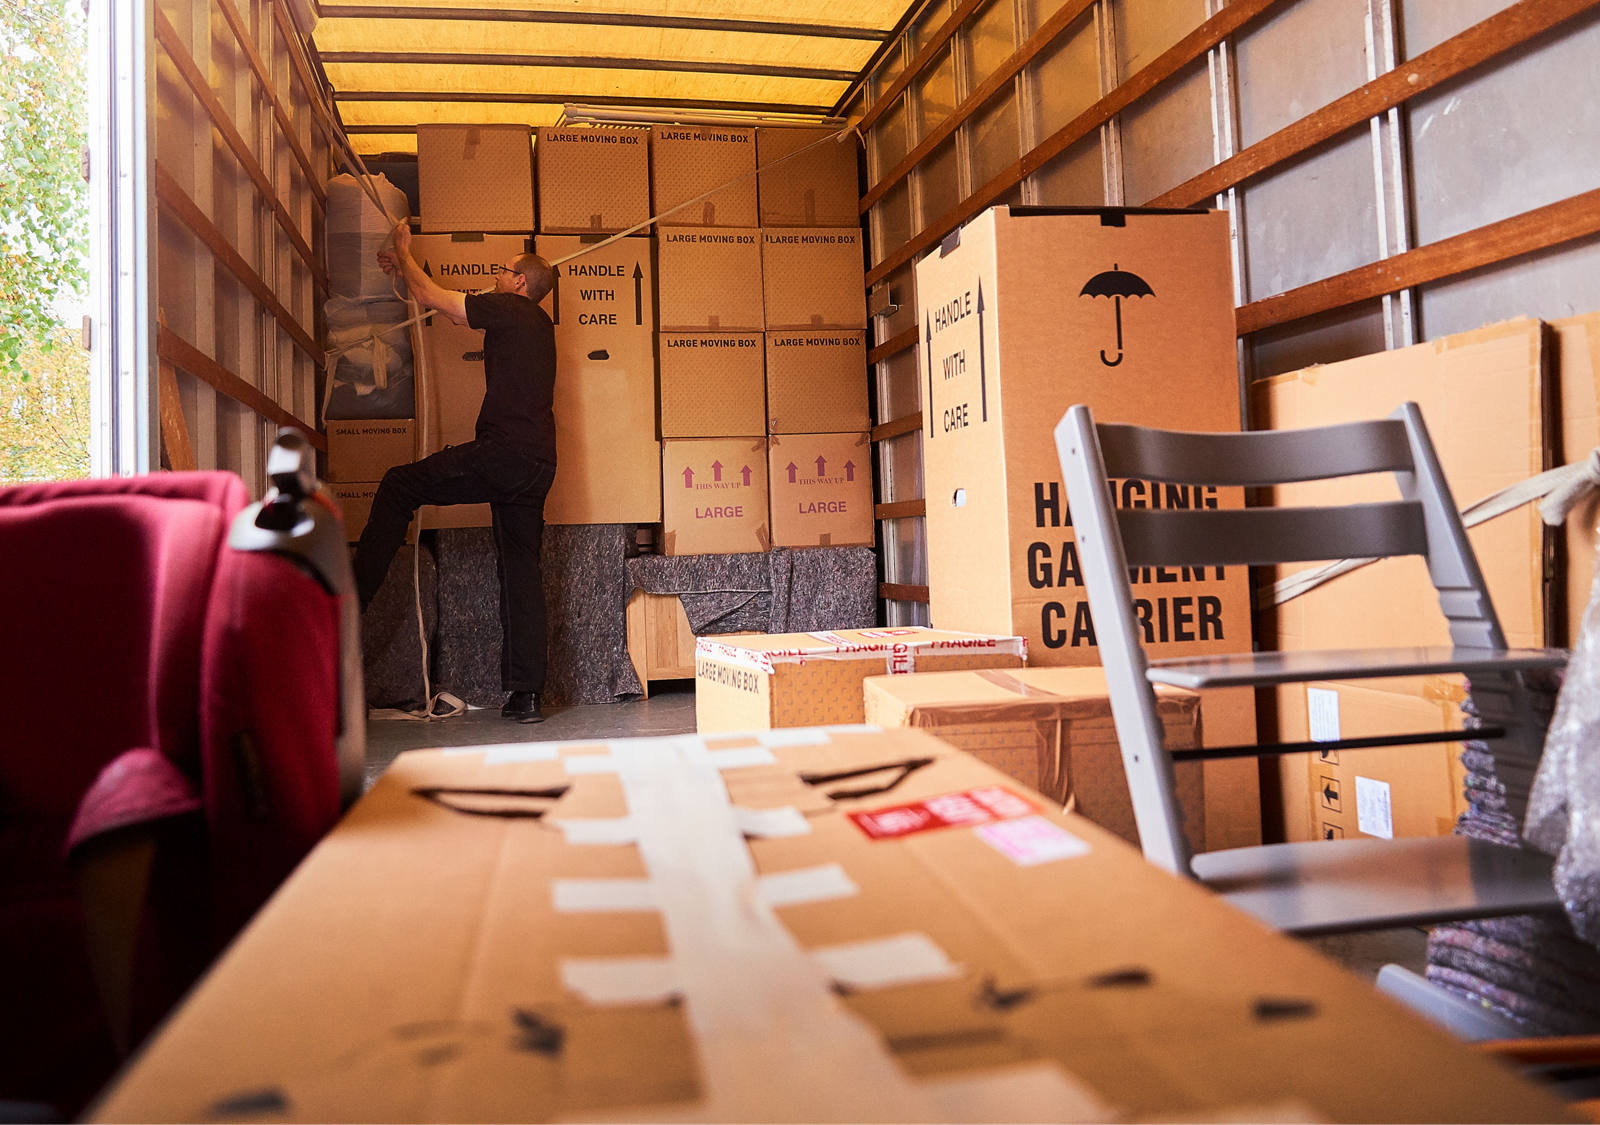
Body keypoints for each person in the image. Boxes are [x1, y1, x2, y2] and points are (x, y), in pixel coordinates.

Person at [354, 222, 558, 723]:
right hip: (538, 464)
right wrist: (403, 269)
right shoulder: (531, 325)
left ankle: (348, 604)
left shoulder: (513, 309)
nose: (494, 275)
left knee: (399, 485)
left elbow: (439, 300)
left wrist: (404, 251)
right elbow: (445, 311)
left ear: (519, 284)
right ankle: (526, 696)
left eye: (502, 271)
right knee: (520, 574)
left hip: (504, 454)